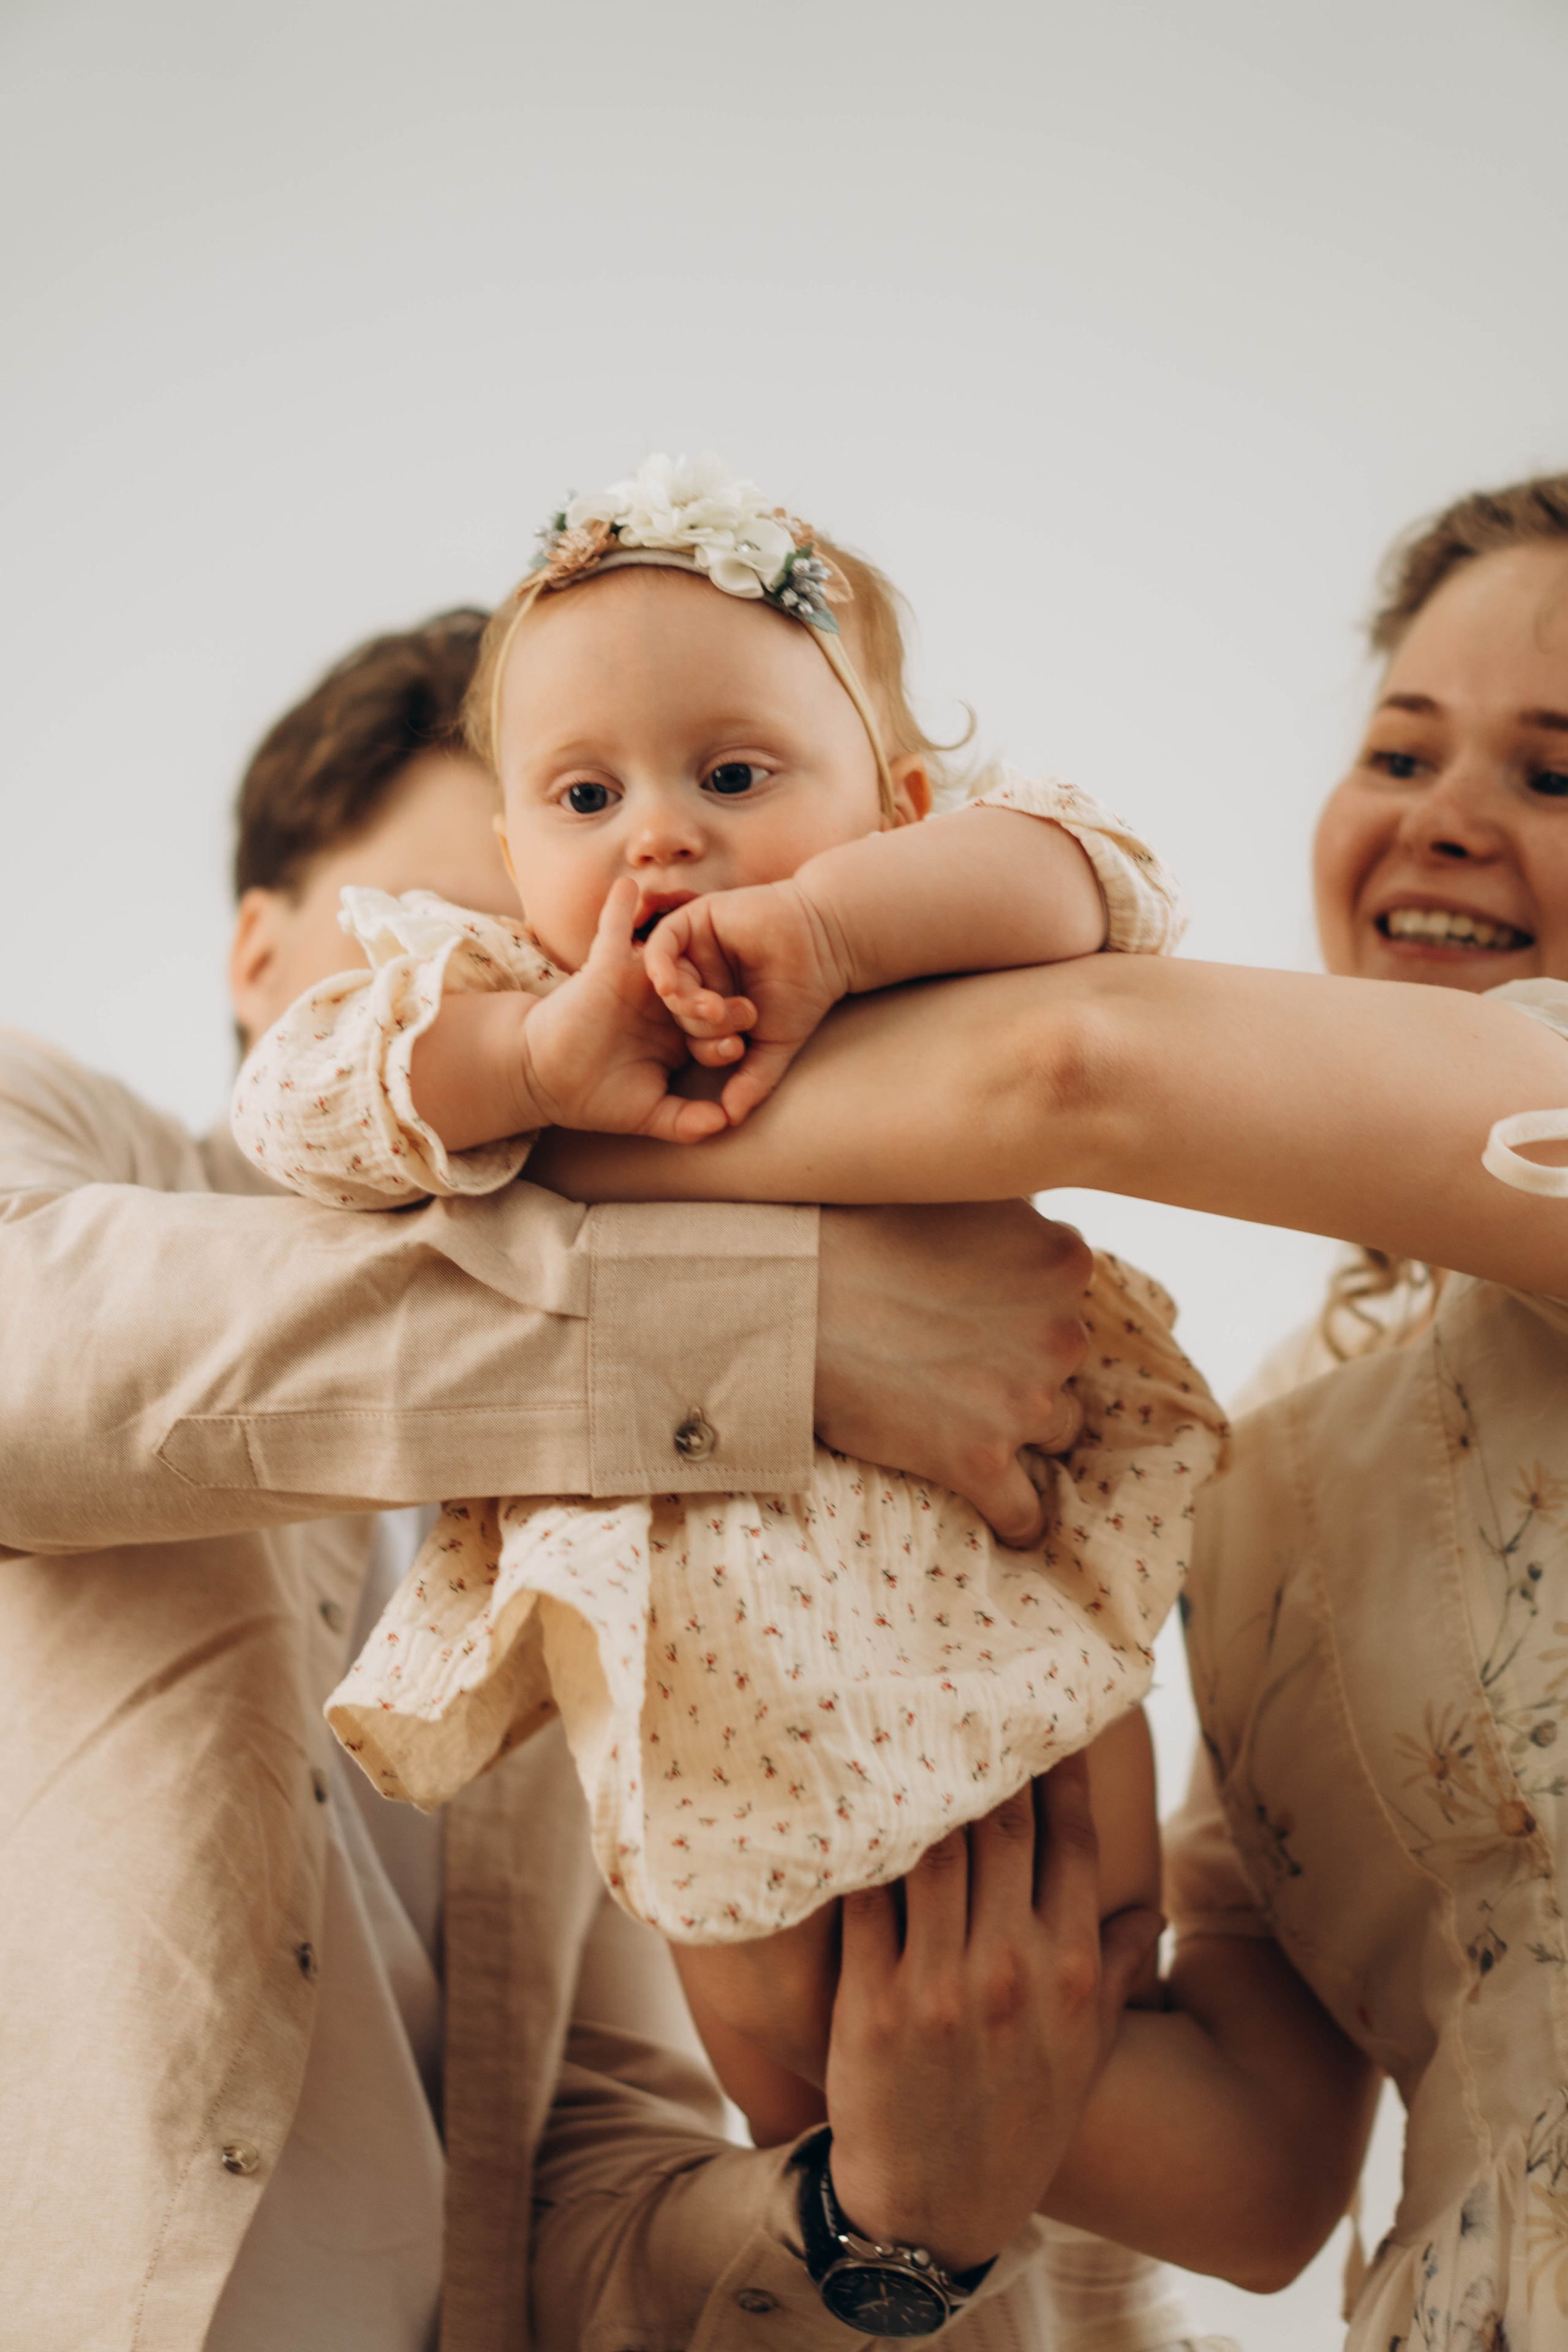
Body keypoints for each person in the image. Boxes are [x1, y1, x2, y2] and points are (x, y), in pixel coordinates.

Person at [0, 606, 1153, 2350]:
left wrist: (877, 2225)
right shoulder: (62, 1143)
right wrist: (776, 1324)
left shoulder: (626, 1547)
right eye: (454, 942)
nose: (577, 998)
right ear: (257, 957)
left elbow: (590, 2185)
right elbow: (38, 1361)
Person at [545, 470, 1568, 2339]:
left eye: (1553, 775)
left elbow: (1073, 1063)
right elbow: (1259, 2171)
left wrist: (527, 1129)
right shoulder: (1260, 1443)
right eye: (1401, 754)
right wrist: (837, 1975)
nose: (1449, 827)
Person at [231, 461, 1224, 2079]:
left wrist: (836, 939)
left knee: (1095, 1896)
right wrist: (542, 1061)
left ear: (900, 806)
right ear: (506, 843)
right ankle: (840, 2194)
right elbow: (299, 1101)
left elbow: (1101, 868)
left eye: (736, 771)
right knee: (771, 2002)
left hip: (987, 1555)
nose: (660, 835)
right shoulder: (508, 996)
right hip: (712, 1648)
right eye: (583, 798)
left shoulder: (912, 948)